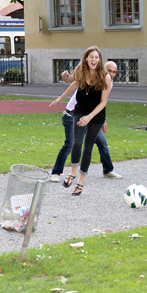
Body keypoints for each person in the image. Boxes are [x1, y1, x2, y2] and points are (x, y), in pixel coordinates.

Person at [49, 46, 112, 196]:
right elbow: (73, 83)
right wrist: (60, 98)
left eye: (96, 57)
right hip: (80, 111)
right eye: (91, 57)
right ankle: (72, 172)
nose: (94, 60)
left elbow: (103, 102)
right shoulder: (81, 72)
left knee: (88, 148)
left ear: (99, 59)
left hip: (96, 116)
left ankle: (81, 181)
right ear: (86, 58)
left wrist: (90, 117)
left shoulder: (105, 77)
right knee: (77, 143)